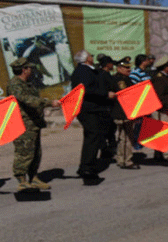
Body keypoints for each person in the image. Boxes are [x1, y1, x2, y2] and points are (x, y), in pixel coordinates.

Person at [6, 57, 61, 191]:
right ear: (24, 70)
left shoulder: (28, 83)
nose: (31, 70)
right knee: (24, 152)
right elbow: (27, 100)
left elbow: (34, 99)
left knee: (36, 152)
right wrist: (48, 103)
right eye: (29, 68)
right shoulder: (15, 85)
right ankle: (22, 180)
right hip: (22, 124)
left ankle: (33, 178)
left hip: (33, 123)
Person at [70, 50, 116, 184]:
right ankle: (87, 169)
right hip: (88, 109)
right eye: (90, 55)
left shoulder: (87, 70)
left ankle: (86, 165)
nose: (92, 57)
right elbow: (86, 89)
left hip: (93, 109)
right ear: (85, 59)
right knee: (93, 137)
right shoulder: (83, 71)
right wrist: (105, 94)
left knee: (93, 137)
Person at [111, 57, 139, 170]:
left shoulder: (126, 78)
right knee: (127, 137)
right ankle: (127, 161)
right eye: (126, 67)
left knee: (123, 137)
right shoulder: (119, 80)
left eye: (129, 67)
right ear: (119, 68)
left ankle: (121, 159)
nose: (129, 69)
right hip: (122, 113)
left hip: (126, 112)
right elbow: (125, 96)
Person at [97, 55, 118, 159]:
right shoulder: (101, 75)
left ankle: (111, 149)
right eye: (111, 63)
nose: (113, 65)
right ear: (107, 64)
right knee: (104, 131)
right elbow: (101, 91)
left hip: (110, 107)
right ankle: (104, 150)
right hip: (104, 107)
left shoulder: (107, 74)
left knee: (111, 130)